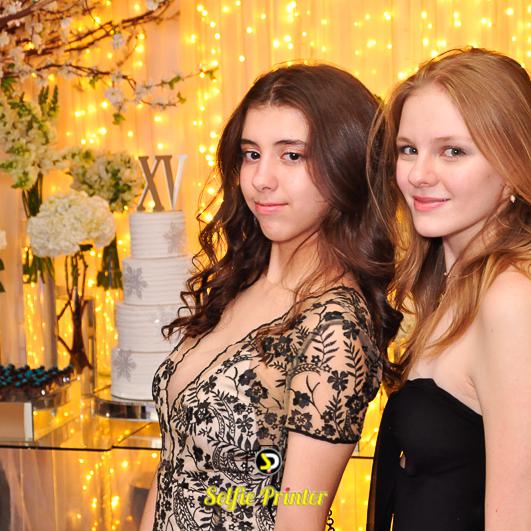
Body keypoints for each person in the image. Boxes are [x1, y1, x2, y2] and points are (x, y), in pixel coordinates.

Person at [139, 63, 402, 531]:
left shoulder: (334, 327)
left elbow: (300, 517)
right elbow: (172, 468)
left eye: (292, 156)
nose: (262, 178)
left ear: (345, 163)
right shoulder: (240, 283)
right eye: (251, 154)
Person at [366, 48, 531, 531]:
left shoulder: (510, 301)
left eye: (452, 151)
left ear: (514, 165)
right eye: (408, 149)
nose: (419, 174)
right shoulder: (452, 288)